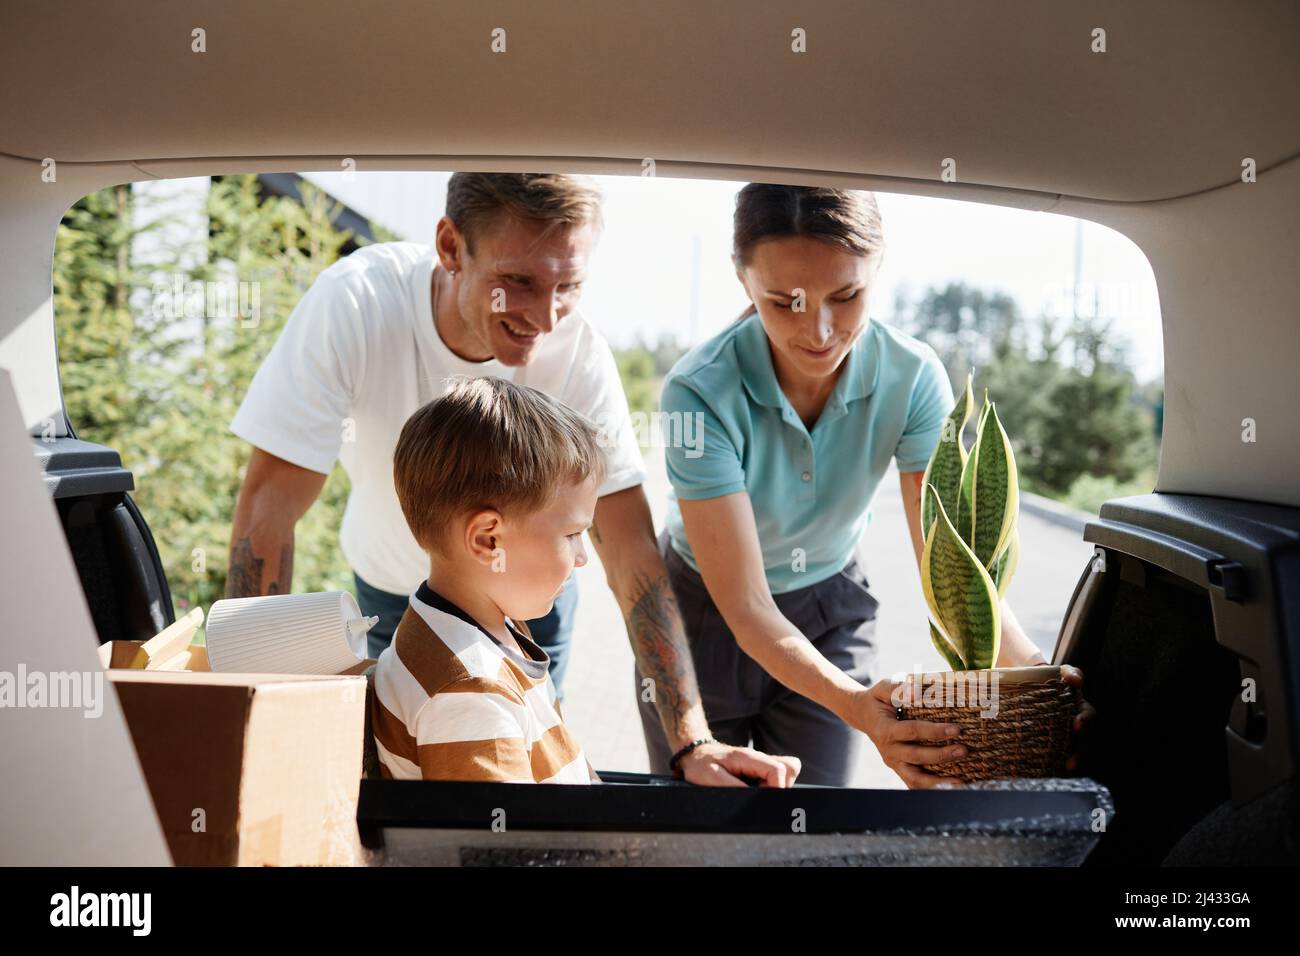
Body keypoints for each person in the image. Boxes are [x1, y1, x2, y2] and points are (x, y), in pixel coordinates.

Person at [227, 172, 800, 786]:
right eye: (518, 282)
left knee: (529, 745)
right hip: (389, 588)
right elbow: (270, 510)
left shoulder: (577, 353)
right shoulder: (357, 304)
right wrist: (243, 720)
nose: (546, 316)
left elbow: (629, 551)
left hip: (531, 589)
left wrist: (692, 742)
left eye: (569, 285)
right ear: (451, 247)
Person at [640, 183, 1090, 788]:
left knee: (821, 822)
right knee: (703, 820)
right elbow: (746, 606)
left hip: (831, 607)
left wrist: (1042, 682)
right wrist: (859, 706)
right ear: (741, 279)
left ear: (878, 268)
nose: (819, 331)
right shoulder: (695, 391)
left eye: (847, 295)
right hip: (705, 618)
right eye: (784, 302)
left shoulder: (913, 378)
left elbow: (951, 563)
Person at [372, 377, 602, 783]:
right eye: (571, 535)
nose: (583, 557)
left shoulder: (480, 630)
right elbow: (500, 845)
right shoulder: (470, 691)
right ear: (488, 540)